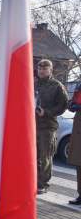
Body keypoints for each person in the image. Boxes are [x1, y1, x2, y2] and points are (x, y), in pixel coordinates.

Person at [34, 59, 68, 194]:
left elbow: (63, 106)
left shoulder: (57, 86)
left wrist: (46, 113)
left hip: (47, 127)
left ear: (50, 70)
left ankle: (43, 184)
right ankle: (34, 181)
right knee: (34, 156)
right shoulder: (34, 84)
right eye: (40, 68)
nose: (42, 71)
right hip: (33, 125)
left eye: (45, 69)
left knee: (45, 157)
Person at [68, 82, 81, 205]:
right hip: (78, 130)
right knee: (79, 164)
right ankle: (80, 195)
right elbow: (72, 102)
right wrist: (71, 105)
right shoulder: (79, 84)